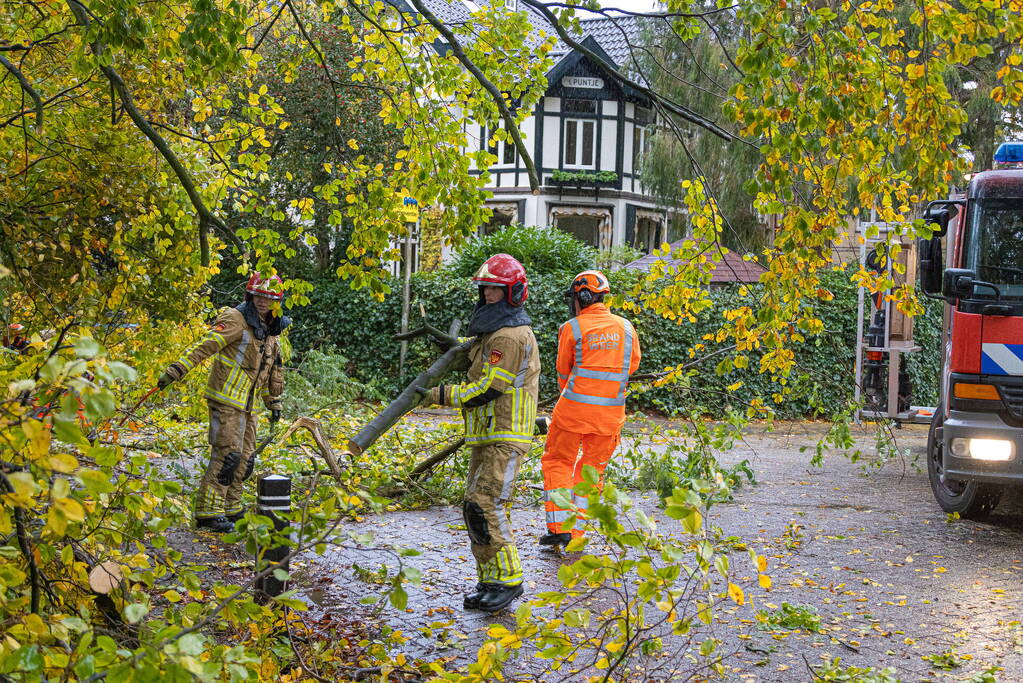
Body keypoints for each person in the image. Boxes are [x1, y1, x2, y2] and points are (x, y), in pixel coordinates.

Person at [418, 254, 540, 613]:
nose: (487, 295)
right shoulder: (493, 334)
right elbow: (478, 360)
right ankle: (490, 580)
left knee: (488, 505)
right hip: (488, 434)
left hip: (506, 435)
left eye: (495, 290)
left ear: (513, 293)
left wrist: (441, 395)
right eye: (485, 288)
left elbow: (489, 387)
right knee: (474, 506)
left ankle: (508, 581)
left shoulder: (511, 336)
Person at [158, 273, 290, 533]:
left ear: (277, 302)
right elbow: (205, 346)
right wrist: (175, 371)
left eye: (269, 298)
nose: (263, 302)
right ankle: (208, 512)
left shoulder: (271, 329)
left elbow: (269, 369)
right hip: (226, 400)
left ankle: (232, 507)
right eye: (259, 296)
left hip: (248, 406)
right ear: (250, 295)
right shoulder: (236, 319)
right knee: (227, 456)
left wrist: (272, 402)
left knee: (246, 460)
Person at [540, 270, 641, 547]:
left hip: (571, 412)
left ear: (581, 298)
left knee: (558, 462)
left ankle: (559, 528)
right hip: (610, 417)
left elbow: (563, 371)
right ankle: (575, 535)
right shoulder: (627, 328)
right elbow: (631, 366)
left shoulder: (571, 328)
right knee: (591, 471)